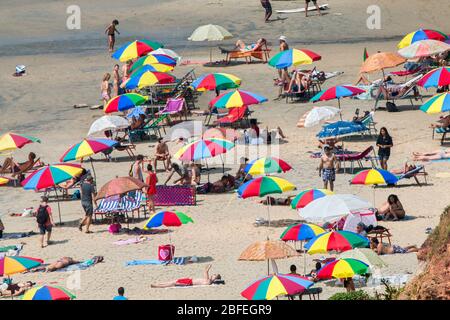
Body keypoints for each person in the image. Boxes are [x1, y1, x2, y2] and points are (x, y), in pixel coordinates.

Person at [150, 264, 222, 288]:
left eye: (214, 275)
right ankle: (158, 284)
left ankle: (157, 286)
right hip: (188, 280)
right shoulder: (208, 280)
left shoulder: (209, 281)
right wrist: (207, 269)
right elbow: (205, 272)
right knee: (174, 281)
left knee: (173, 283)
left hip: (189, 283)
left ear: (215, 279)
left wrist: (208, 268)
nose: (213, 275)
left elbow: (205, 272)